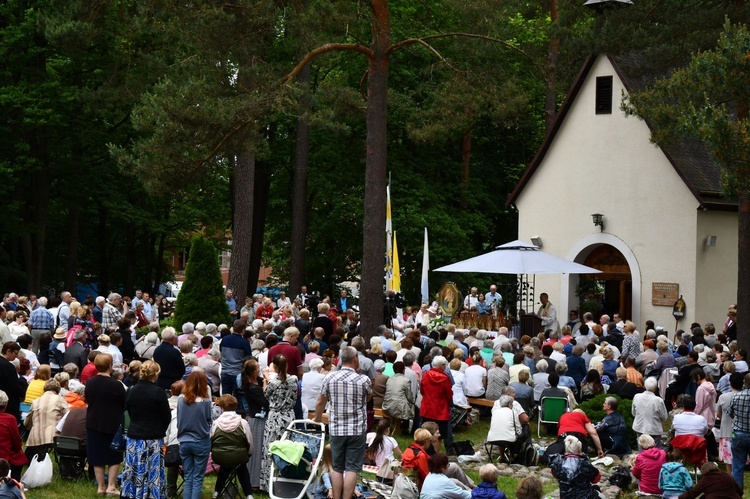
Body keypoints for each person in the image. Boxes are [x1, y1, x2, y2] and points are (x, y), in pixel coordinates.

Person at [315, 346, 372, 499]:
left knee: (337, 467)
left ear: (340, 359)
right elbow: (368, 398)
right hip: (357, 428)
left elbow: (321, 401)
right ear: (355, 359)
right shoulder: (363, 380)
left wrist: (317, 419)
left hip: (337, 428)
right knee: (352, 468)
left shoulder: (330, 378)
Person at [121, 360, 171, 499]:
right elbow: (166, 416)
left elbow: (129, 412)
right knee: (152, 470)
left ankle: (132, 493)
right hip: (152, 437)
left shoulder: (131, 390)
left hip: (134, 435)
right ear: (155, 374)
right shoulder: (158, 392)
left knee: (134, 468)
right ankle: (151, 494)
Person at [85, 353, 127, 495]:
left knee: (97, 456)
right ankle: (111, 486)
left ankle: (101, 486)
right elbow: (124, 403)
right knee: (114, 455)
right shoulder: (116, 385)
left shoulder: (90, 382)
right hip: (112, 423)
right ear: (110, 366)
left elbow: (88, 399)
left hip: (94, 421)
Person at [260, 354, 298, 491]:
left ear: (274, 367)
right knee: (287, 449)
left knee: (270, 448)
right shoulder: (294, 379)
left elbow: (266, 394)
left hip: (275, 417)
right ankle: (286, 479)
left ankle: (267, 482)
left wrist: (266, 378)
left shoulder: (273, 383)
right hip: (289, 416)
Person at [177, 371, 213, 499]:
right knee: (197, 477)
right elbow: (210, 419)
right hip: (201, 441)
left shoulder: (181, 399)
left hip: (184, 440)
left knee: (188, 477)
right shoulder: (206, 402)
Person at [211, 394, 254, 499]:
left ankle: (217, 491)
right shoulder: (243, 423)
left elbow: (211, 439)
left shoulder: (215, 423)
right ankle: (248, 494)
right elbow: (250, 441)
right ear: (236, 407)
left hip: (220, 456)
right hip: (239, 456)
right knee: (240, 465)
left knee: (225, 464)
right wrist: (249, 454)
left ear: (222, 408)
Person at [23, 378, 68, 462]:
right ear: (58, 390)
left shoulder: (35, 401)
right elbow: (67, 417)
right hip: (53, 437)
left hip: (35, 438)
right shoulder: (60, 399)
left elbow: (27, 422)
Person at [419, 356, 454, 454]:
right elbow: (449, 394)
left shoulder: (426, 375)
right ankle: (435, 456)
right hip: (441, 410)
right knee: (439, 435)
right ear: (441, 366)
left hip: (427, 408)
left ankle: (424, 454)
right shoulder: (445, 378)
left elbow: (422, 390)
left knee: (425, 433)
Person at [549, 435, 601, 499]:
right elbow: (596, 479)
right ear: (579, 449)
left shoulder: (558, 463)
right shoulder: (584, 463)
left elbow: (553, 472)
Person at [727, 371, 750, 488]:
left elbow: (730, 413)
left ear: (744, 383)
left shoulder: (736, 396)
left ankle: (737, 491)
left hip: (739, 433)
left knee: (737, 466)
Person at [631, 376, 667, 448]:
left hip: (640, 426)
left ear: (644, 385)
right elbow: (664, 417)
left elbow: (633, 412)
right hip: (654, 428)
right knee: (654, 451)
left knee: (641, 449)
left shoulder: (637, 397)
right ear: (656, 387)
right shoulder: (658, 400)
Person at [220, 320, 254, 395]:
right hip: (238, 374)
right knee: (239, 397)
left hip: (225, 372)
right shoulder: (244, 342)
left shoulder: (224, 339)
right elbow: (249, 359)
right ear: (243, 330)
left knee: (226, 396)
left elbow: (221, 354)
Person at [678, 461, 742, 499]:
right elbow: (739, 490)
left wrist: (679, 497)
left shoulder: (705, 480)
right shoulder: (727, 475)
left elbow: (692, 493)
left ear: (704, 472)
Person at [0, 390, 26, 480]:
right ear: (5, 404)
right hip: (5, 456)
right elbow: (16, 442)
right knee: (19, 457)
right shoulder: (10, 419)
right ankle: (14, 484)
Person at [381, 361, 415, 431]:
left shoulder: (389, 379)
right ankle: (406, 429)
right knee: (412, 408)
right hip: (398, 408)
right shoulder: (406, 380)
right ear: (403, 370)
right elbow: (409, 397)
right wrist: (413, 402)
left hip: (387, 406)